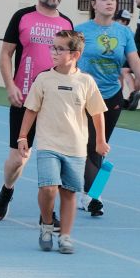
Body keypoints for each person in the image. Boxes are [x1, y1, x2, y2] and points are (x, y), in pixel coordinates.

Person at [16, 30, 109, 255]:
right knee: (48, 189)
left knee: (68, 193)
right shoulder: (44, 79)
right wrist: (23, 136)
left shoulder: (85, 81)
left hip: (75, 148)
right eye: (53, 47)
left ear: (75, 55)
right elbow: (31, 110)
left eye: (60, 48)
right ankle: (47, 225)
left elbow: (97, 113)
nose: (54, 52)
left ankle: (65, 236)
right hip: (48, 144)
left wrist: (100, 141)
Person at [0, 0, 73, 223]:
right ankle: (7, 190)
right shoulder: (22, 17)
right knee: (19, 158)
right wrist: (10, 86)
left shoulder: (67, 24)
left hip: (56, 102)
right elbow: (5, 54)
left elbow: (70, 64)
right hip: (25, 99)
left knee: (54, 159)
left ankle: (47, 213)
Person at [74, 0, 140, 216]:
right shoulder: (80, 31)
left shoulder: (123, 32)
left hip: (111, 95)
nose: (110, 2)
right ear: (93, 4)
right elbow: (69, 59)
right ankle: (93, 196)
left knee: (100, 145)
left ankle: (88, 194)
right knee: (87, 145)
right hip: (85, 94)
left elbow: (133, 58)